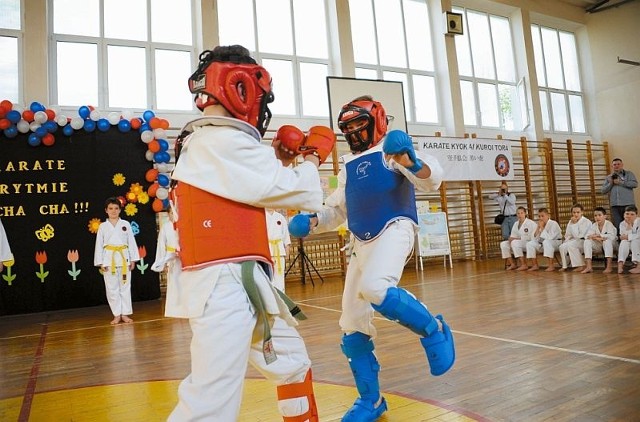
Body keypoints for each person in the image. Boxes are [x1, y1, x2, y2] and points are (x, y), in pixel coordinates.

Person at [164, 45, 335, 422]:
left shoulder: (209, 140)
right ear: (241, 88)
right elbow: (304, 193)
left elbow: (253, 191)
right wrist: (310, 158)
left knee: (290, 360)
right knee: (210, 401)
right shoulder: (222, 139)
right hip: (223, 286)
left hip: (241, 280)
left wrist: (282, 162)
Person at [288, 95, 455, 422]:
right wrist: (311, 221)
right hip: (359, 242)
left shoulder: (392, 151)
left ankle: (434, 329)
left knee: (377, 288)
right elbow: (337, 210)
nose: (353, 132)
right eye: (347, 127)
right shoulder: (348, 166)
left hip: (396, 228)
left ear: (375, 121)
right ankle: (372, 400)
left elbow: (433, 178)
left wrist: (408, 160)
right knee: (351, 326)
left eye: (358, 125)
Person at [93, 197, 140, 325]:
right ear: (106, 210)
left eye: (116, 208)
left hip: (124, 259)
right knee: (111, 288)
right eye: (111, 208)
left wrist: (133, 259)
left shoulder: (125, 224)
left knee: (125, 287)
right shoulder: (103, 226)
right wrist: (101, 262)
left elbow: (131, 242)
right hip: (109, 260)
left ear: (120, 210)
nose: (113, 211)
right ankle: (116, 314)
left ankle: (125, 314)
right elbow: (99, 245)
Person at [601, 158, 637, 234]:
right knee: (617, 224)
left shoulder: (629, 174)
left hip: (628, 204)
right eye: (614, 165)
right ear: (612, 166)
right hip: (615, 205)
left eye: (618, 164)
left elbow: (635, 184)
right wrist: (610, 183)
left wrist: (621, 182)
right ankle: (620, 242)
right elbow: (603, 191)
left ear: (622, 165)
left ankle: (633, 240)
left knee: (630, 223)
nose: (616, 166)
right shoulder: (609, 177)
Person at [580, 207, 617, 274]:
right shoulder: (594, 225)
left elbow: (611, 237)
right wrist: (598, 238)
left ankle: (609, 267)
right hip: (599, 244)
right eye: (595, 215)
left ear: (605, 216)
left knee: (607, 241)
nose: (597, 217)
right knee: (587, 242)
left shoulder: (609, 224)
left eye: (599, 215)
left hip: (612, 244)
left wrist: (599, 236)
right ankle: (589, 267)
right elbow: (587, 236)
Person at [500, 206, 537, 271]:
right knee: (503, 244)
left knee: (515, 242)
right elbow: (513, 235)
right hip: (518, 243)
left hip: (529, 243)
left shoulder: (531, 223)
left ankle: (524, 264)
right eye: (518, 213)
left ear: (525, 213)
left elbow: (533, 236)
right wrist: (510, 239)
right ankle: (512, 264)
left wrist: (516, 239)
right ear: (516, 214)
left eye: (521, 213)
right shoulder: (516, 223)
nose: (520, 215)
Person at [558, 203, 592, 272]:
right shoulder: (570, 221)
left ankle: (581, 265)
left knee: (571, 246)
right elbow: (567, 234)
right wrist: (567, 240)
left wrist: (574, 224)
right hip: (573, 240)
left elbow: (579, 236)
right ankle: (564, 266)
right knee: (562, 246)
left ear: (582, 212)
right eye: (574, 212)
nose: (576, 214)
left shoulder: (586, 221)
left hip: (584, 241)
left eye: (578, 212)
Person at [266, 208, 292, 291]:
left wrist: (287, 248)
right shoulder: (261, 216)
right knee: (269, 276)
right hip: (267, 250)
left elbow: (285, 235)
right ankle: (270, 298)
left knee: (280, 276)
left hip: (279, 250)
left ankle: (281, 296)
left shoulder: (280, 217)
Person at [617, 205, 640, 274]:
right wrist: (629, 225)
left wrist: (628, 236)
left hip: (637, 241)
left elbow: (638, 235)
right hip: (629, 242)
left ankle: (638, 266)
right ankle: (620, 265)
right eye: (627, 214)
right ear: (624, 214)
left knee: (635, 241)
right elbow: (623, 236)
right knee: (623, 242)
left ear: (636, 215)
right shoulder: (622, 224)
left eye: (632, 214)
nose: (629, 216)